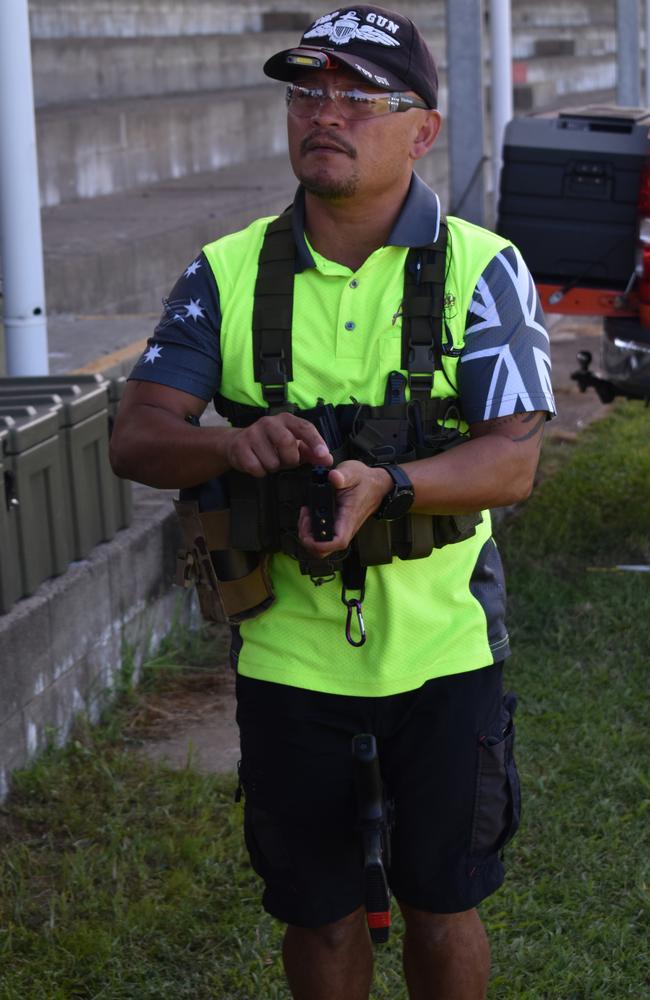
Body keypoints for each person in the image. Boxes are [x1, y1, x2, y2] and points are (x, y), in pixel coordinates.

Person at [110, 6, 556, 998]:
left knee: (443, 902)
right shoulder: (221, 274)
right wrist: (231, 440)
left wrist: (386, 486)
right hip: (285, 657)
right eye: (307, 91)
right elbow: (136, 437)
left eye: (359, 97)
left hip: (444, 651)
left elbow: (512, 463)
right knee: (314, 917)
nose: (326, 114)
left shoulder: (483, 270)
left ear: (421, 130)